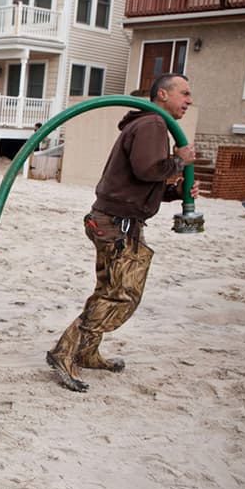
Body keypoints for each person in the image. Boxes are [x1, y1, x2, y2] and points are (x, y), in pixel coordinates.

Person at [46, 73, 200, 392]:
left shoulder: (149, 124)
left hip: (112, 219)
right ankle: (65, 353)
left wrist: (174, 191)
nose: (188, 100)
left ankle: (86, 352)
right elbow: (148, 170)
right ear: (162, 94)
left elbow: (140, 179)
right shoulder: (153, 124)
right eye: (183, 93)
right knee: (121, 295)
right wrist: (178, 162)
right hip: (117, 223)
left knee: (109, 289)